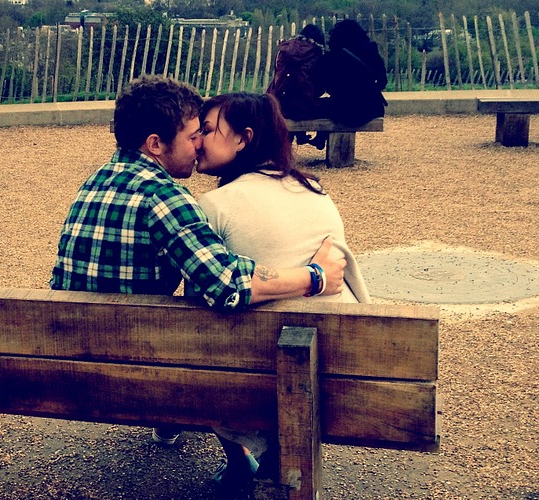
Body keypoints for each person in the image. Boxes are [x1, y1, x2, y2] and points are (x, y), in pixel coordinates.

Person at [50, 76, 347, 444]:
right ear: (155, 144)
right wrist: (314, 276)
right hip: (134, 374)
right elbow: (226, 286)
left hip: (65, 366)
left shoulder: (96, 181)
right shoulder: (164, 196)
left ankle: (172, 426)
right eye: (193, 135)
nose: (198, 145)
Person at [195, 90, 369, 484]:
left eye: (208, 129)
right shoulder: (316, 192)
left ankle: (243, 461)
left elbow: (205, 294)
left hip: (251, 380)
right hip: (332, 368)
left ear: (244, 138)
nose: (198, 140)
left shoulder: (215, 205)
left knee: (209, 324)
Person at [322, 19, 387, 127]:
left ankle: (321, 138)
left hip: (340, 110)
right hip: (370, 108)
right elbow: (382, 81)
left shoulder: (332, 57)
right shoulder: (371, 51)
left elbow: (327, 86)